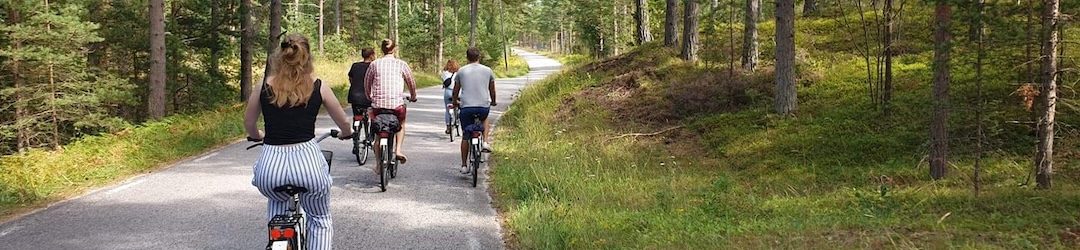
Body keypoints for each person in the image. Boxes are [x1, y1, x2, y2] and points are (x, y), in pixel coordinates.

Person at [243, 34, 353, 250]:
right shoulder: (319, 86)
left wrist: (257, 135)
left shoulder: (263, 86)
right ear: (307, 57)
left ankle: (278, 237)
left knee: (277, 207)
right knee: (319, 219)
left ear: (279, 56)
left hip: (270, 168)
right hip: (308, 163)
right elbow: (343, 121)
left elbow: (249, 122)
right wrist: (346, 133)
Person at [364, 39, 417, 168]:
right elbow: (411, 82)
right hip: (396, 106)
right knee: (401, 124)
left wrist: (370, 97)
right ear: (394, 49)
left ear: (382, 49)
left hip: (378, 106)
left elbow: (367, 83)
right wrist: (413, 95)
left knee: (377, 136)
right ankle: (398, 150)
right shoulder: (401, 64)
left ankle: (378, 165)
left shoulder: (374, 64)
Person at [452, 47, 496, 174]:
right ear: (479, 57)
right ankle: (485, 142)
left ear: (467, 57)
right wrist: (493, 101)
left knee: (466, 135)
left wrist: (455, 101)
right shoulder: (488, 70)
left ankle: (464, 165)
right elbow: (492, 89)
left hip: (466, 107)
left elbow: (456, 90)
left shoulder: (461, 71)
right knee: (485, 118)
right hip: (483, 107)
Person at [348, 48, 376, 144]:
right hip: (368, 97)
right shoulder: (373, 66)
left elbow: (351, 79)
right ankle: (371, 137)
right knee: (373, 117)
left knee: (357, 116)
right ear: (372, 55)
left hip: (354, 96)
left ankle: (355, 137)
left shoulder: (355, 66)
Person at [441, 60, 461, 135]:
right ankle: (457, 120)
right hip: (458, 93)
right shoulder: (459, 73)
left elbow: (443, 82)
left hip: (448, 92)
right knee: (459, 106)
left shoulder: (444, 73)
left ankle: (448, 126)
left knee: (447, 109)